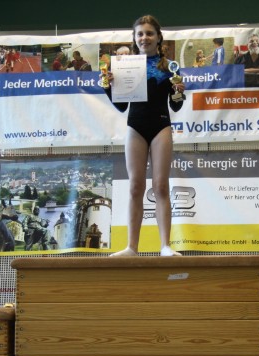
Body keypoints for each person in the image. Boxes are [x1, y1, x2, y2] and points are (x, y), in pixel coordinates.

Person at [101, 14, 184, 257]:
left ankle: (165, 246)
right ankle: (131, 247)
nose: (144, 37)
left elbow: (176, 106)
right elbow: (122, 108)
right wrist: (108, 87)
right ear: (135, 39)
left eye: (149, 33)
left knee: (160, 186)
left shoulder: (169, 67)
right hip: (135, 126)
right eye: (140, 34)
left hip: (161, 126)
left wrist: (178, 92)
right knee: (136, 187)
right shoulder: (126, 66)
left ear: (158, 37)